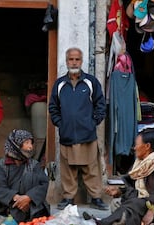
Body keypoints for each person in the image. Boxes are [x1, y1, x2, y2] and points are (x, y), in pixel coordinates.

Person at [49, 47, 108, 210]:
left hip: (87, 134)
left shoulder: (91, 82)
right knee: (68, 170)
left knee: (91, 168)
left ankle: (96, 198)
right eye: (71, 59)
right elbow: (53, 107)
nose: (74, 62)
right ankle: (68, 198)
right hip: (67, 134)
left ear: (81, 61)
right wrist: (60, 123)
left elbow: (100, 104)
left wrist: (93, 122)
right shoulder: (60, 84)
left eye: (77, 59)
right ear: (66, 61)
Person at [85, 131, 154, 225]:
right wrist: (119, 191)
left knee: (134, 204)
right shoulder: (142, 164)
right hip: (147, 201)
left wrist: (150, 213)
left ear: (147, 146)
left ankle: (103, 223)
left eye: (137, 144)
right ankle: (112, 221)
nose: (134, 148)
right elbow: (137, 188)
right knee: (118, 203)